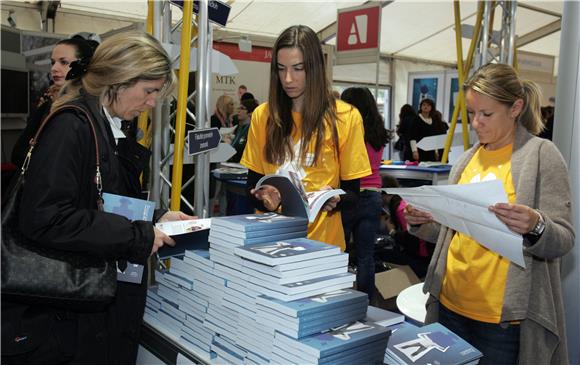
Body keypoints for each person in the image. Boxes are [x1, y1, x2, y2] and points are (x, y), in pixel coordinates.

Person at [2, 31, 194, 365]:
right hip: (60, 315)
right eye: (149, 91)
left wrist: (155, 217)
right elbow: (46, 217)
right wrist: (136, 235)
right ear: (119, 79)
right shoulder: (72, 126)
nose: (152, 102)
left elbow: (100, 201)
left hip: (79, 305)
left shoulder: (100, 123)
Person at [405, 63, 574, 364]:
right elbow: (452, 232)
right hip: (449, 304)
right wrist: (423, 221)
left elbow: (563, 239)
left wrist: (535, 226)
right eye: (471, 113)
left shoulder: (540, 156)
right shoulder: (467, 160)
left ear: (515, 108)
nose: (475, 123)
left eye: (486, 114)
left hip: (501, 320)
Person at [241, 25, 371, 250]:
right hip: (269, 243)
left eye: (297, 68)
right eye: (281, 69)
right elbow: (252, 187)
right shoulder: (263, 116)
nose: (288, 79)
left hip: (321, 247)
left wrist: (336, 199)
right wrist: (267, 200)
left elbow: (354, 195)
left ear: (314, 68)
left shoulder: (346, 117)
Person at [11, 36, 99, 168]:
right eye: (53, 62)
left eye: (63, 62)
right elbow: (18, 154)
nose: (54, 68)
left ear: (83, 65)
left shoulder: (84, 109)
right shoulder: (49, 105)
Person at [339, 87, 391, 299]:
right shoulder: (377, 132)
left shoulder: (349, 131)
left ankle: (339, 300)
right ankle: (367, 303)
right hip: (372, 195)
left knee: (338, 253)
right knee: (365, 256)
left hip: (348, 195)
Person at [379, 174, 433, 278]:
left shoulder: (400, 209)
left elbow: (410, 239)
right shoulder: (400, 203)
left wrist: (392, 231)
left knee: (380, 255)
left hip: (420, 258)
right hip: (421, 254)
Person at [229, 97, 258, 163]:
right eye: (239, 108)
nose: (238, 111)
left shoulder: (252, 130)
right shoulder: (237, 128)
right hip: (233, 164)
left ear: (250, 112)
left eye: (242, 108)